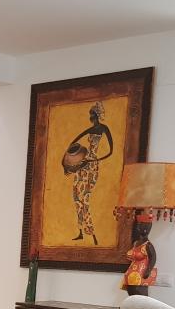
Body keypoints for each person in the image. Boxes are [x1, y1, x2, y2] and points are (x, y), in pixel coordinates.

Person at [63, 100, 114, 245]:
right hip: (83, 163)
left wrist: (94, 160)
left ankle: (92, 233)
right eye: (90, 115)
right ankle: (80, 231)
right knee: (76, 197)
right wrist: (66, 164)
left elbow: (111, 151)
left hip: (92, 165)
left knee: (85, 199)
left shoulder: (104, 128)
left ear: (97, 115)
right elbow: (71, 144)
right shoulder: (90, 129)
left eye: (92, 115)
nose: (91, 118)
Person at [121, 215, 157, 295]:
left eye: (144, 226)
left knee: (140, 298)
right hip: (131, 278)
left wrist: (148, 271)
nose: (140, 228)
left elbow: (153, 258)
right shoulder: (136, 243)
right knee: (132, 297)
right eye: (139, 225)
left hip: (140, 277)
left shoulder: (148, 245)